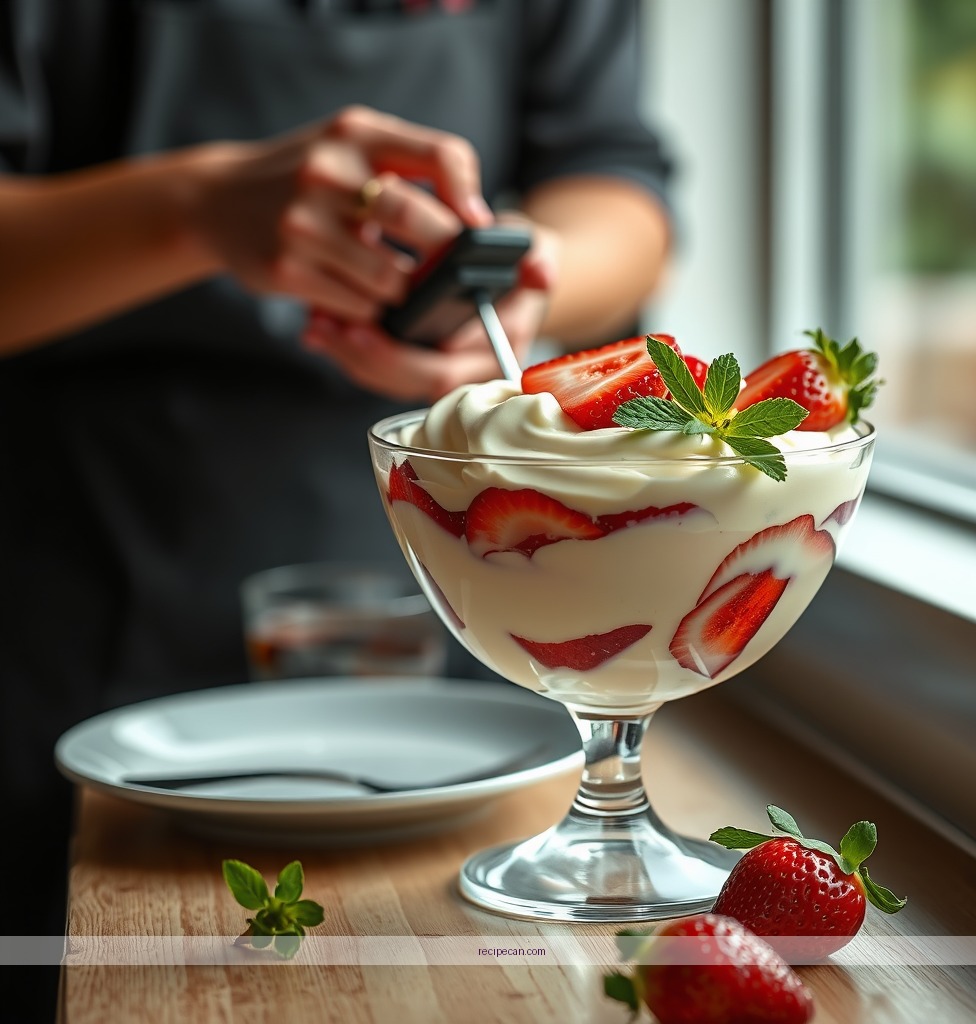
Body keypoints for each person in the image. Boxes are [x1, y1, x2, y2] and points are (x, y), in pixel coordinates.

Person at [0, 0, 673, 977]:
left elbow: (619, 181)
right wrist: (194, 204)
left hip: (465, 639)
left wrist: (534, 272)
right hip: (73, 592)